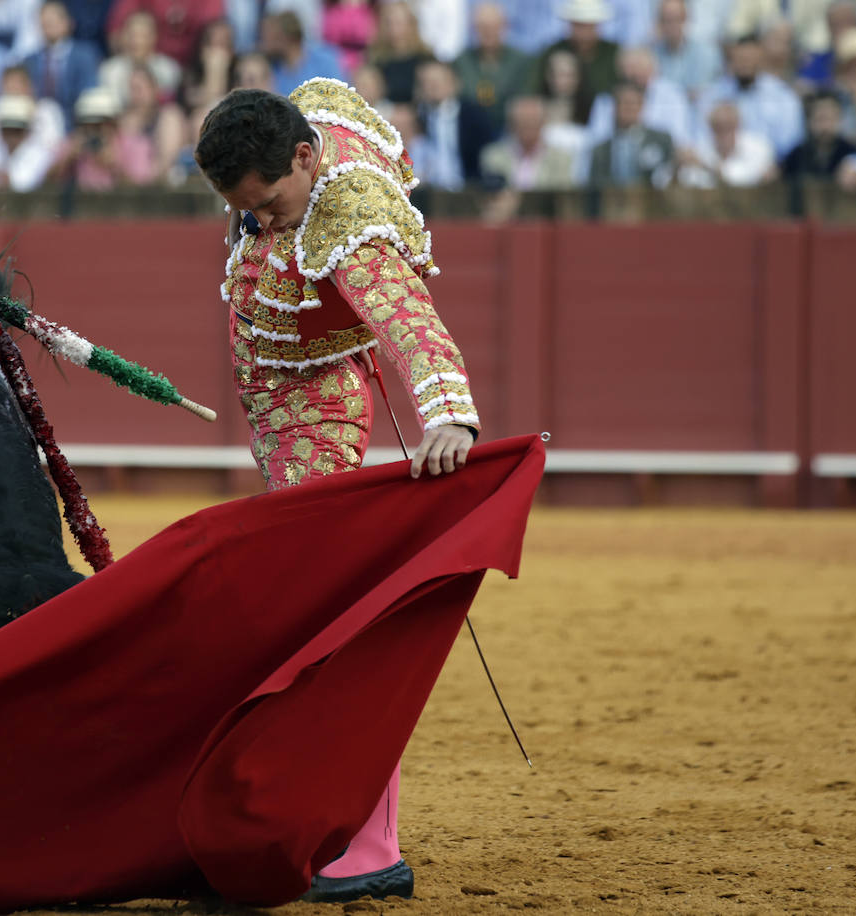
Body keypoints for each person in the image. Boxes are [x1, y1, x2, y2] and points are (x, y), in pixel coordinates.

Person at [194, 80, 482, 901]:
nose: (262, 221)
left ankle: (365, 839)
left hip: (316, 410)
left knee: (326, 627)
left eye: (272, 201)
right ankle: (350, 827)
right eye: (244, 210)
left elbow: (409, 322)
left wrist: (451, 416)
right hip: (292, 397)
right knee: (318, 617)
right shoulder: (294, 142)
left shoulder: (347, 223)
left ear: (306, 159)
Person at [696, 33, 804, 158]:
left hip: (770, 170)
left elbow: (790, 143)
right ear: (730, 61)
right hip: (720, 166)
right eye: (740, 59)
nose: (745, 65)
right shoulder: (712, 95)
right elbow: (701, 136)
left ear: (761, 59)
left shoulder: (783, 96)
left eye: (750, 59)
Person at [412, 58, 496, 190]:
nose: (434, 86)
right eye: (428, 82)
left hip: (468, 189)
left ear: (454, 84)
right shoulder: (416, 117)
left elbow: (487, 154)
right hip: (427, 192)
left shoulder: (473, 115)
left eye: (439, 81)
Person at [453, 2, 533, 132]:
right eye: (482, 27)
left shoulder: (521, 61)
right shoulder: (461, 61)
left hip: (508, 130)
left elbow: (524, 100)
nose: (488, 32)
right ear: (474, 29)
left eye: (493, 27)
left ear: (504, 27)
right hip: (468, 131)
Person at [22, 1, 102, 128]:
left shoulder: (85, 55)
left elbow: (89, 93)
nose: (48, 26)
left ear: (68, 23)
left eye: (52, 21)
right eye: (44, 22)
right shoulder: (29, 60)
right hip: (37, 126)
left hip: (76, 125)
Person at [532, 0, 620, 114]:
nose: (584, 33)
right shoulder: (553, 51)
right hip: (561, 115)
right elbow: (535, 89)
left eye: (589, 26)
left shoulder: (613, 52)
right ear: (570, 25)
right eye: (579, 26)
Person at [480, 94, 578, 190]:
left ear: (542, 123)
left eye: (533, 123)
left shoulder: (562, 159)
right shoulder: (492, 156)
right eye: (523, 124)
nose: (528, 130)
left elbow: (562, 197)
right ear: (511, 126)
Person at [587, 80, 675, 187]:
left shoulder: (662, 140)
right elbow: (595, 186)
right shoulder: (600, 151)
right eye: (624, 103)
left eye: (633, 103)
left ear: (642, 105)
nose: (628, 109)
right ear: (615, 108)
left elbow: (670, 177)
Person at [677, 100, 776, 187]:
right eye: (718, 127)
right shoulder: (700, 150)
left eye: (729, 126)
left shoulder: (759, 147)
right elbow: (690, 181)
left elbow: (747, 180)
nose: (724, 133)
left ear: (738, 125)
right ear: (710, 128)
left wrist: (709, 167)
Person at [260, 10, 344, 97]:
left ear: (283, 37)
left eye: (267, 36)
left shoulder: (324, 61)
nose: (263, 42)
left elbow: (338, 96)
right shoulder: (272, 67)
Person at [781, 89, 856, 180]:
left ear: (840, 120)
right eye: (820, 119)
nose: (826, 126)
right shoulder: (796, 158)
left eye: (831, 119)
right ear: (809, 121)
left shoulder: (852, 153)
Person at [651, 0, 722, 98]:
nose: (672, 25)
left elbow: (703, 93)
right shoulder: (652, 55)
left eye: (677, 19)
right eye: (667, 20)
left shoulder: (705, 54)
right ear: (659, 22)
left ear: (686, 19)